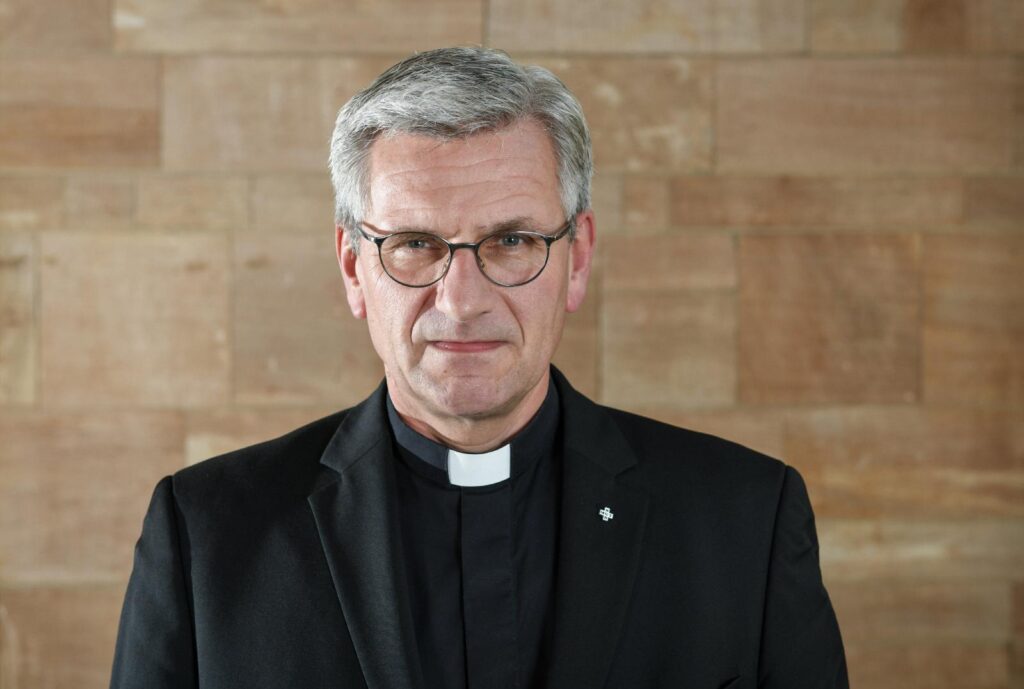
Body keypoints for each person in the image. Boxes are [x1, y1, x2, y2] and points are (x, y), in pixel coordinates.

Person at [110, 46, 848, 689]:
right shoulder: (205, 536)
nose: (461, 302)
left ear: (577, 258)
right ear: (352, 268)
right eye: (415, 245)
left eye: (514, 241)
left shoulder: (746, 520)